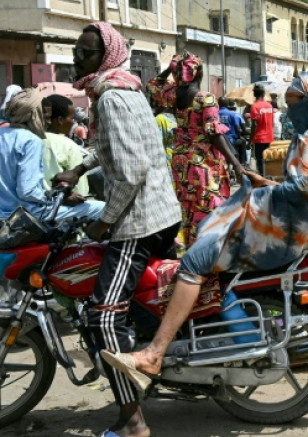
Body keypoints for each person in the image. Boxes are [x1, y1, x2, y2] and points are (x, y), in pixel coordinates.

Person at [98, 74, 308, 396]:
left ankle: (153, 354)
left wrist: (264, 193)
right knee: (215, 226)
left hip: (293, 230)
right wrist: (267, 187)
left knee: (196, 258)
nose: (289, 109)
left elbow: (304, 187)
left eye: (294, 102)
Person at [55, 22, 181, 437]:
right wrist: (80, 167)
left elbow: (129, 172)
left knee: (104, 315)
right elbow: (117, 147)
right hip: (161, 211)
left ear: (105, 55)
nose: (78, 59)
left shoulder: (110, 97)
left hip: (139, 221)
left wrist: (104, 221)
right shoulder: (125, 88)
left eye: (86, 53)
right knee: (146, 303)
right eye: (76, 52)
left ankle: (132, 421)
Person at [148, 53, 248, 248]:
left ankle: (193, 251)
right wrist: (236, 164)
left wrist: (171, 68)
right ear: (198, 74)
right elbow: (213, 133)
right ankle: (209, 256)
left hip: (181, 161)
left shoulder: (173, 95)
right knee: (210, 209)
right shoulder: (206, 98)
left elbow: (153, 83)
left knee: (189, 210)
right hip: (203, 162)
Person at [0, 89, 102, 220]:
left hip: (4, 213)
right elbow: (27, 191)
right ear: (34, 114)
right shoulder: (31, 140)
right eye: (46, 117)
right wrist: (60, 199)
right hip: (27, 213)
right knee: (101, 209)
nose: (48, 122)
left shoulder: (3, 134)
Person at [42, 94, 90, 196]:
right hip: (58, 205)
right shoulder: (68, 145)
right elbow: (81, 190)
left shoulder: (29, 139)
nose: (73, 122)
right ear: (60, 120)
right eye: (72, 118)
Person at [250, 83, 275, 172]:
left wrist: (250, 140)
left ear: (254, 94)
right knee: (268, 160)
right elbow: (272, 123)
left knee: (260, 161)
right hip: (270, 138)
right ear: (264, 94)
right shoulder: (270, 106)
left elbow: (254, 125)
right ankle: (269, 178)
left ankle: (262, 180)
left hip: (259, 139)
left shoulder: (254, 106)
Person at [218, 97, 247, 165]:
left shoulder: (215, 114)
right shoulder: (233, 114)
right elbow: (237, 128)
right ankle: (242, 163)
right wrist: (240, 136)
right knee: (243, 141)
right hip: (231, 140)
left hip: (219, 141)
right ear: (227, 104)